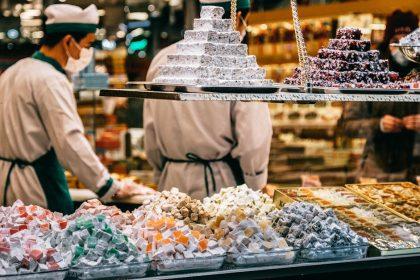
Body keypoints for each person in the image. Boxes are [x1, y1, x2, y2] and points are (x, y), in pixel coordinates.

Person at [0, 4, 141, 214]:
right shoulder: (51, 79)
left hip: (5, 182)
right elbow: (70, 141)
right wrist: (108, 186)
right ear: (68, 41)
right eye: (87, 44)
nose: (88, 52)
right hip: (38, 188)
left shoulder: (13, 71)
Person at [143, 0, 272, 200]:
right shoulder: (239, 65)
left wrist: (160, 173)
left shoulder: (161, 59)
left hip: (169, 182)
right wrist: (256, 185)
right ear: (238, 17)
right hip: (217, 187)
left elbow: (150, 133)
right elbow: (252, 140)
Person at [341, 10, 419, 182]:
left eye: (408, 42)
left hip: (416, 171)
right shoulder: (368, 72)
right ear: (387, 41)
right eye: (396, 42)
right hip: (376, 171)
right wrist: (379, 124)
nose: (402, 48)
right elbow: (348, 125)